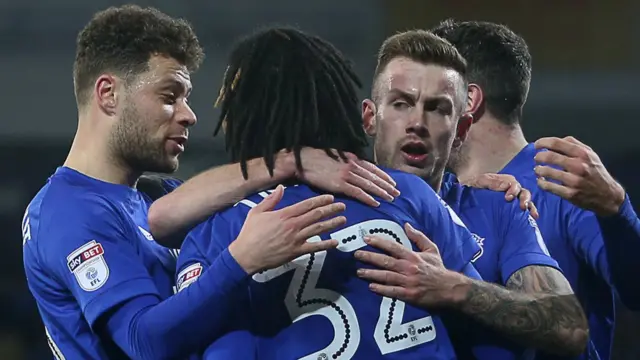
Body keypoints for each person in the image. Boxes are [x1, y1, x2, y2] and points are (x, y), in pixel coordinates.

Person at [20, 6, 389, 359]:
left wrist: (291, 161)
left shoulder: (152, 196)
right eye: (169, 97)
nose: (190, 115)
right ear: (108, 94)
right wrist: (240, 260)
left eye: (187, 98)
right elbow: (142, 342)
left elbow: (183, 206)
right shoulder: (66, 212)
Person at [177, 26, 482, 359]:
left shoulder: (219, 230)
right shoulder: (404, 191)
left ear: (244, 114)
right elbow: (497, 339)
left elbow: (175, 342)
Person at [352, 29, 587, 358]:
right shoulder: (335, 206)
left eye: (437, 109)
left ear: (461, 130)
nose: (417, 122)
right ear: (370, 118)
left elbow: (569, 327)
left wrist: (452, 287)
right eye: (401, 103)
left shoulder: (500, 208)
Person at [431, 19, 640, 359]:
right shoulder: (432, 195)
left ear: (467, 99)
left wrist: (616, 209)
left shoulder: (561, 182)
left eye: (433, 96)